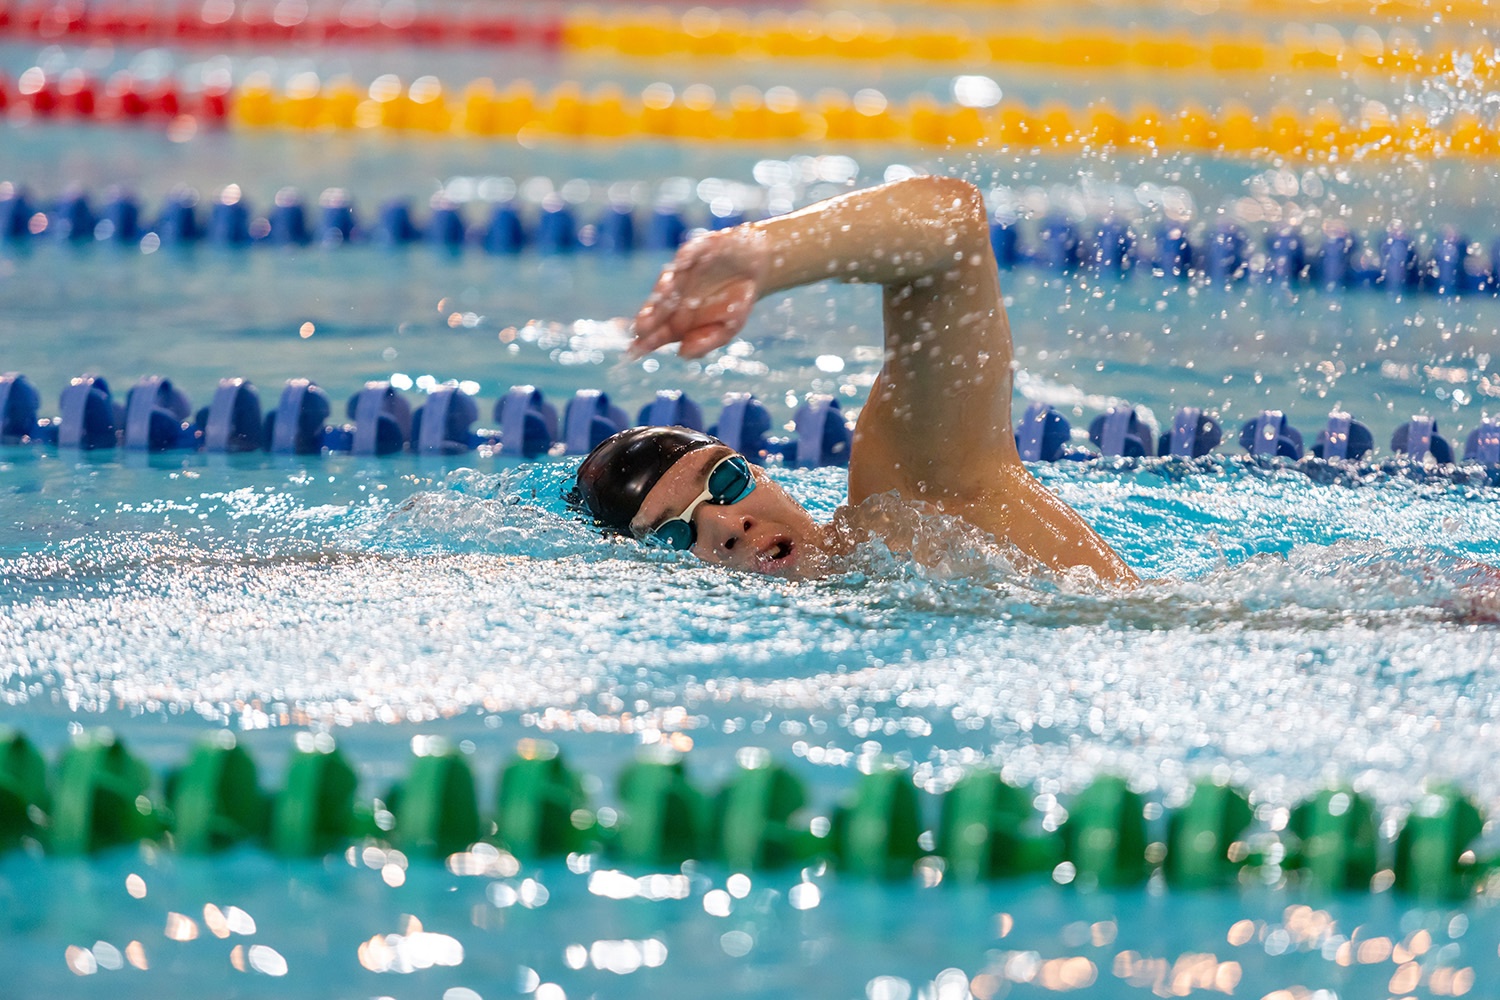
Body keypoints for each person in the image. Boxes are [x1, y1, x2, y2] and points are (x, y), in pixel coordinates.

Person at [571, 175, 1138, 585]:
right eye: (676, 535)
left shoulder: (920, 508)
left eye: (725, 479)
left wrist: (769, 254)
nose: (728, 523)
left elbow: (953, 227)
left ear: (762, 471)